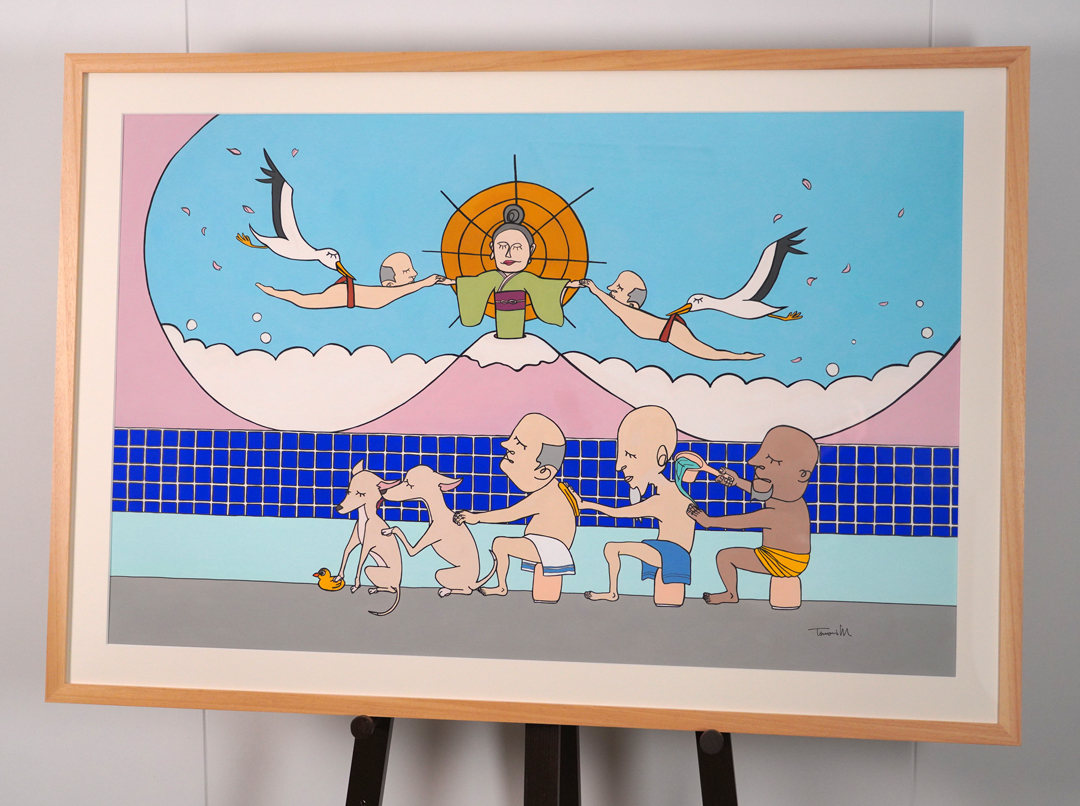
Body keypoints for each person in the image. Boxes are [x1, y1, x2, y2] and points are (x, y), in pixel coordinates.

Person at [575, 406, 709, 607]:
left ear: (660, 457)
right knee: (668, 605)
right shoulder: (675, 492)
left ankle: (612, 592)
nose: (619, 466)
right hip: (672, 552)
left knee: (612, 548)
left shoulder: (661, 499)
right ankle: (613, 592)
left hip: (669, 553)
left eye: (629, 455)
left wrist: (586, 504)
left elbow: (618, 513)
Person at [453, 413, 579, 603]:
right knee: (545, 597)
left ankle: (501, 586)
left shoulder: (545, 495)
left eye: (513, 459)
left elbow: (511, 513)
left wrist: (476, 517)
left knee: (500, 544)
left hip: (548, 546)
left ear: (543, 472)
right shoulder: (557, 489)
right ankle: (544, 599)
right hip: (551, 546)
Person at [687, 425, 819, 604]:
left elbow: (743, 521)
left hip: (782, 561)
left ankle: (731, 594)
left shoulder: (779, 512)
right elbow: (762, 492)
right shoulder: (790, 499)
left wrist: (708, 521)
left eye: (773, 462)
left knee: (725, 556)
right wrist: (737, 481)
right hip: (786, 557)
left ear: (802, 475)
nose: (756, 467)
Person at [566, 276, 763, 361]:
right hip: (669, 329)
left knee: (707, 353)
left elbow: (615, 307)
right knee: (707, 352)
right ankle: (741, 356)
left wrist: (595, 289)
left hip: (671, 330)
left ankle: (741, 356)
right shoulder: (628, 313)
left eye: (617, 290)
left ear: (632, 303)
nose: (611, 292)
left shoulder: (629, 313)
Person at [451, 204, 571, 339]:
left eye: (517, 247)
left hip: (519, 332)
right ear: (492, 248)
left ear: (531, 250)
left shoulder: (527, 278)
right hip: (499, 332)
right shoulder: (492, 276)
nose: (508, 254)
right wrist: (445, 281)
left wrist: (574, 284)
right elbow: (471, 285)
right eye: (502, 246)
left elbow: (547, 287)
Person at [255, 252, 451, 309]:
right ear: (390, 283)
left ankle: (274, 292)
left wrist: (443, 281)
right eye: (407, 271)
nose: (414, 273)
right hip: (343, 293)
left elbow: (411, 287)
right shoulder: (386, 293)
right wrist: (427, 282)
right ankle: (273, 291)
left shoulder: (385, 294)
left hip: (346, 291)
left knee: (304, 301)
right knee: (303, 301)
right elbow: (408, 288)